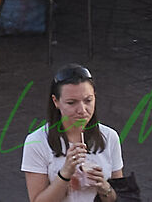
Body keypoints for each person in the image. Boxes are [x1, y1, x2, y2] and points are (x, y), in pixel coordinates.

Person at [23, 63, 131, 201]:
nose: (82, 110)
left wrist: (105, 188)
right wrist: (65, 174)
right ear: (56, 101)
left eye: (88, 100)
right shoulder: (37, 142)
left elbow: (120, 196)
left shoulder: (109, 137)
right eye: (71, 102)